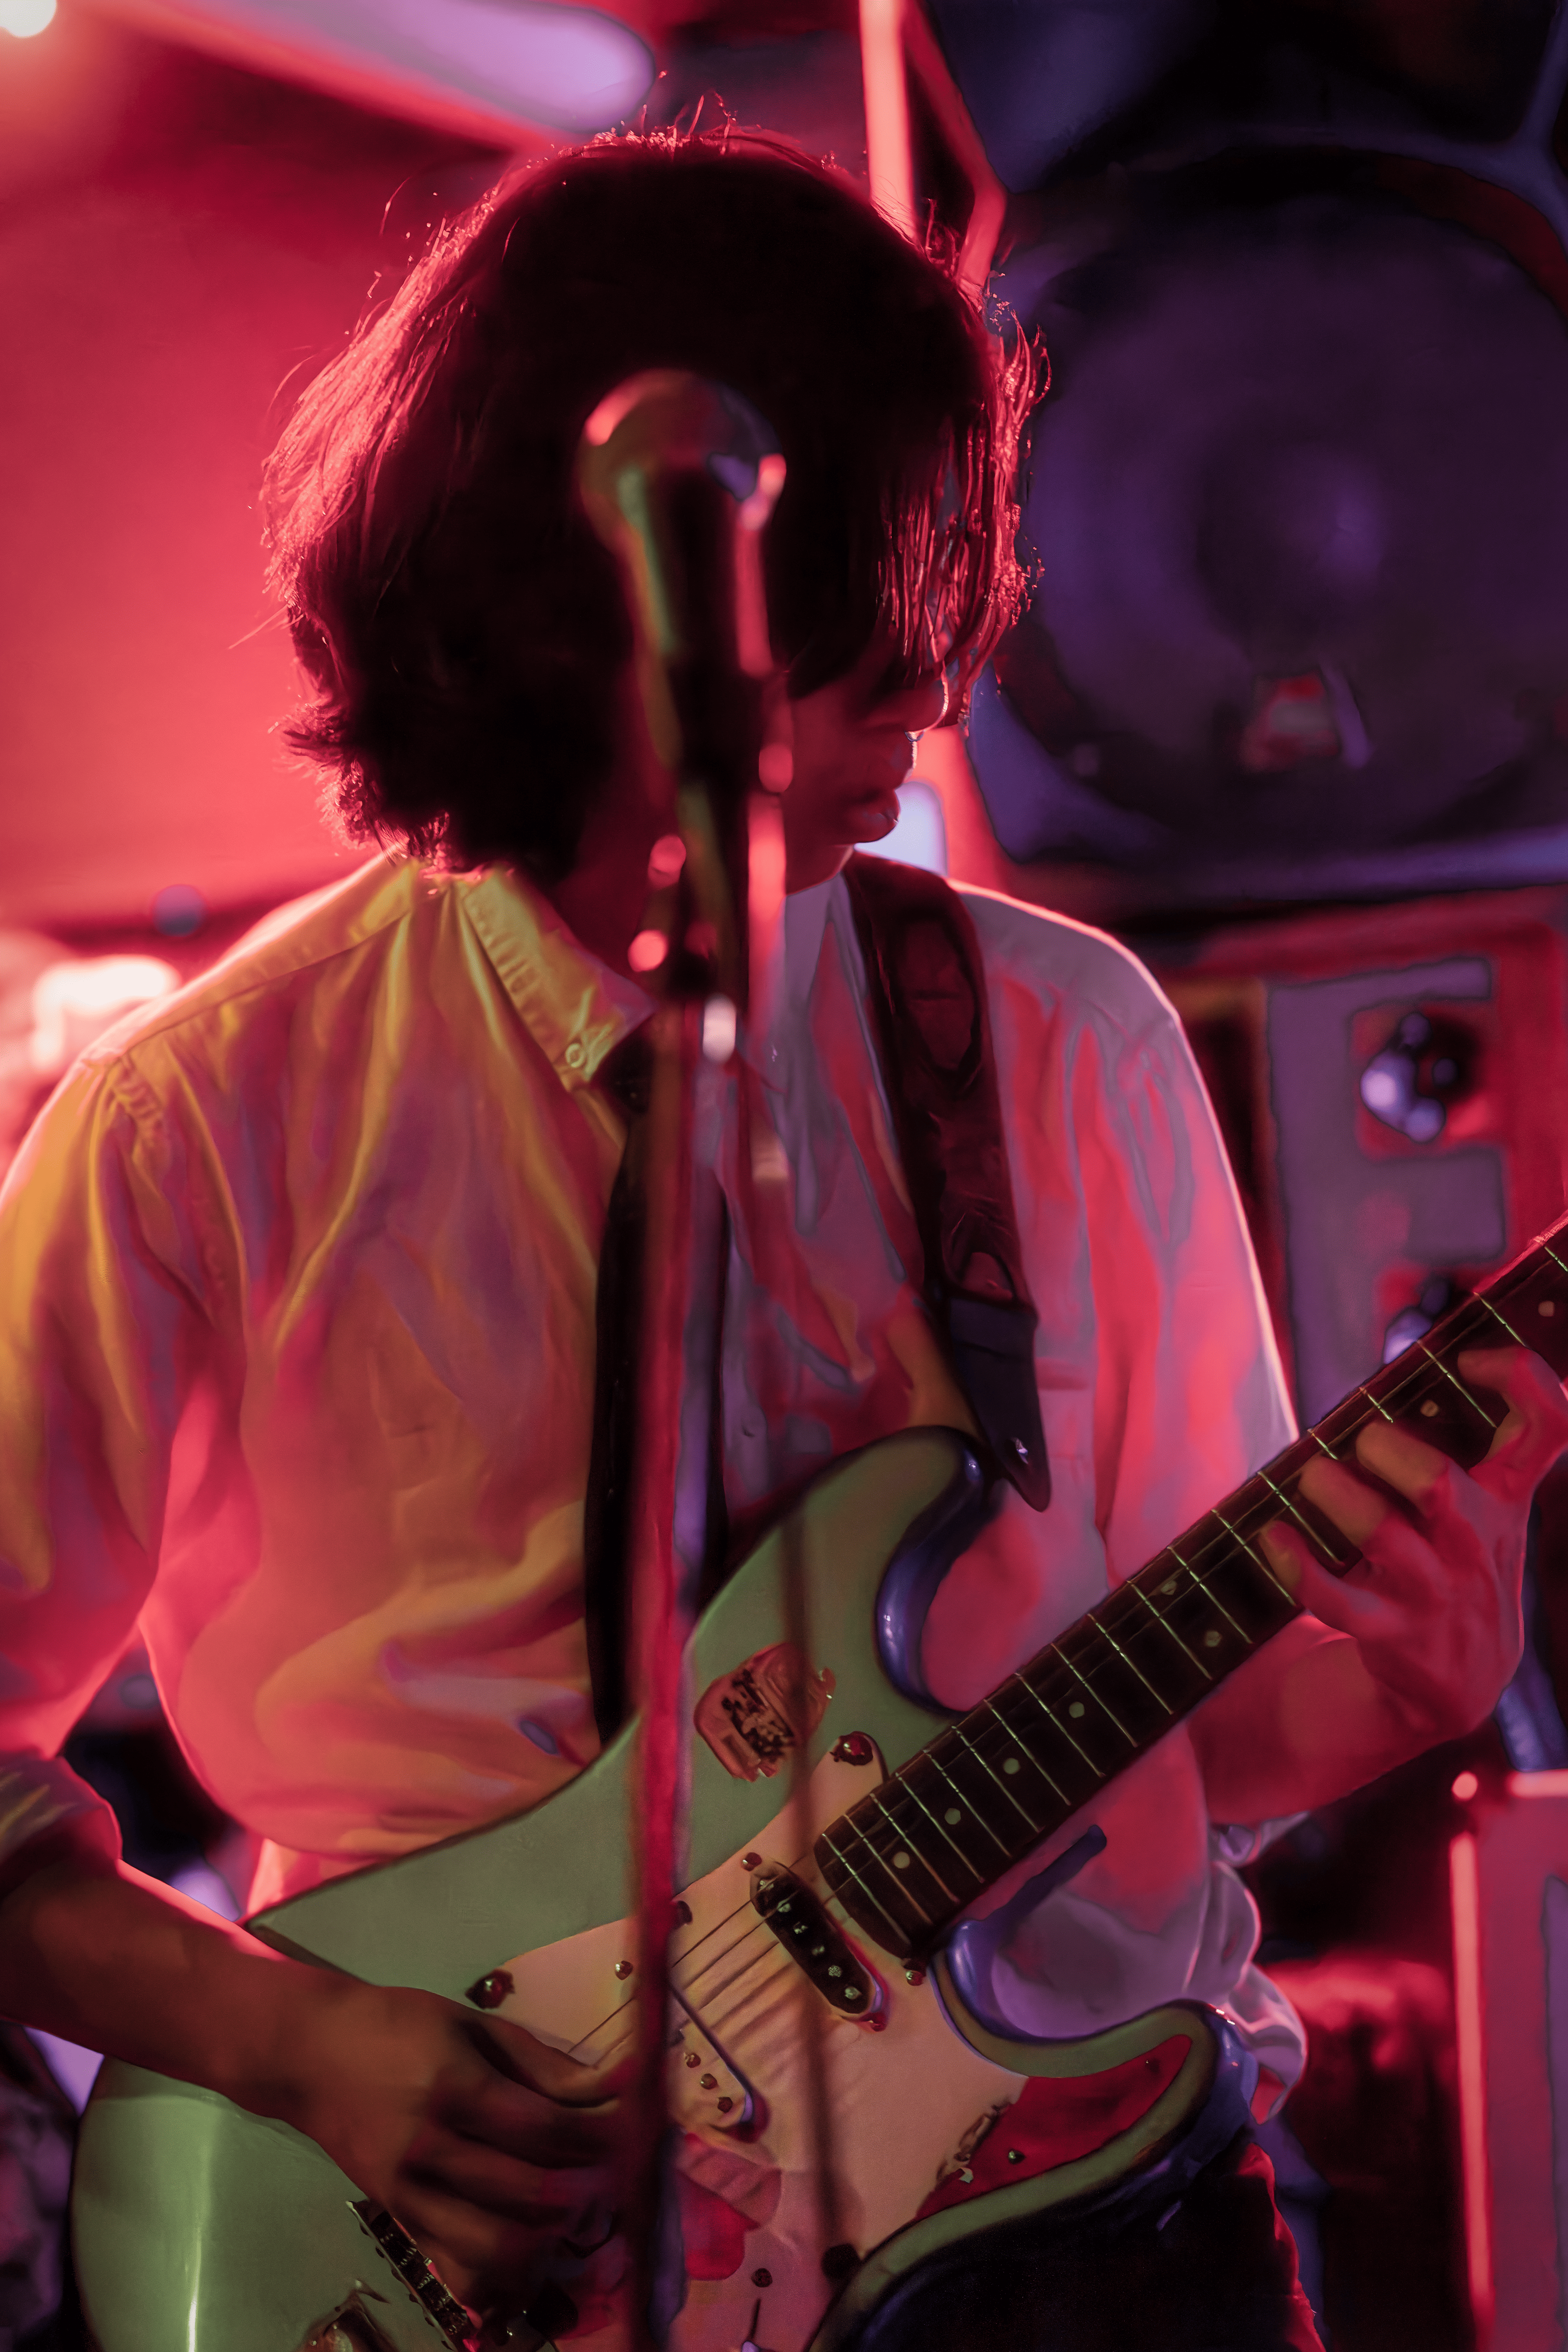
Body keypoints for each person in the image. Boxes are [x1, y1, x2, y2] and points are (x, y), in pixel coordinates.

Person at [0, 131, 1563, 2350]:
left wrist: (1400, 1684)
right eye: (853, 637)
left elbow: (1178, 1750)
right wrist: (295, 2044)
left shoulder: (1059, 1041)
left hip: (1097, 2244)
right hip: (491, 2250)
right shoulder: (202, 1123)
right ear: (582, 615)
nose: (929, 715)